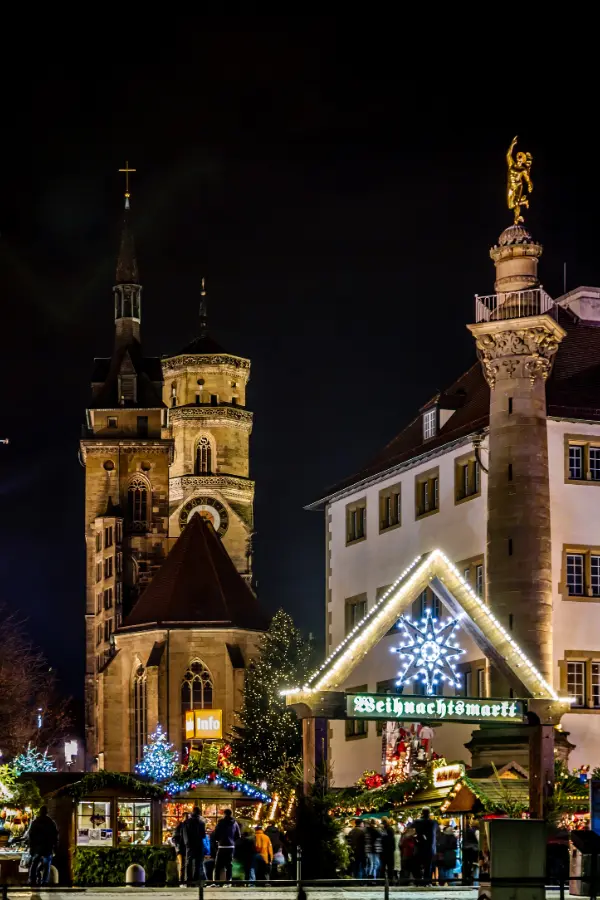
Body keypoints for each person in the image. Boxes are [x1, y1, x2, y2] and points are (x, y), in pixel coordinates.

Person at [26, 806, 58, 887]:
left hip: (37, 847)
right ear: (46, 812)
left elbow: (31, 835)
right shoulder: (51, 822)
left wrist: (31, 847)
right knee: (47, 865)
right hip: (47, 847)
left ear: (40, 812)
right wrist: (54, 846)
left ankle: (32, 880)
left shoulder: (35, 822)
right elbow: (55, 836)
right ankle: (44, 881)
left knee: (34, 864)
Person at [213, 809, 241, 883]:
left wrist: (218, 840)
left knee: (218, 865)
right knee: (229, 864)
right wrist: (232, 840)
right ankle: (229, 881)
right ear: (231, 814)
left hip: (221, 846)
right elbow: (238, 835)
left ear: (224, 814)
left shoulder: (220, 823)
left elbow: (215, 834)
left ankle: (217, 881)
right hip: (231, 846)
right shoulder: (235, 823)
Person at [182, 807, 206, 885]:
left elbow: (184, 834)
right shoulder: (201, 823)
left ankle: (188, 880)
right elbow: (203, 835)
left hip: (189, 845)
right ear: (199, 813)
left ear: (192, 812)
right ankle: (196, 880)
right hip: (199, 844)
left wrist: (187, 843)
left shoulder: (186, 822)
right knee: (198, 863)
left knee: (188, 862)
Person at [414, 807, 437, 884]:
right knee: (428, 866)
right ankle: (427, 882)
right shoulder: (433, 823)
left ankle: (418, 881)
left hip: (419, 847)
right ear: (429, 813)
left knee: (418, 865)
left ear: (422, 813)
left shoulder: (417, 822)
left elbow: (413, 833)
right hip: (430, 848)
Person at [462, 819, 479, 885]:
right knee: (475, 865)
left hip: (466, 849)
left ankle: (466, 880)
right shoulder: (476, 831)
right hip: (474, 850)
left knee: (467, 866)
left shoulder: (467, 830)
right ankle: (474, 882)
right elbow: (479, 840)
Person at [172, 815, 188, 885]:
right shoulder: (180, 827)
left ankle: (184, 881)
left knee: (185, 865)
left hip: (186, 848)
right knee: (182, 865)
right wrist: (178, 846)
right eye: (186, 817)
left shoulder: (186, 826)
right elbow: (174, 838)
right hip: (181, 849)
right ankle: (181, 881)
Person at [381, 818, 396, 883]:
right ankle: (390, 880)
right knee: (390, 866)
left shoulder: (383, 830)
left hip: (384, 850)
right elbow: (392, 840)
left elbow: (382, 840)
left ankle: (382, 880)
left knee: (383, 866)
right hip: (389, 850)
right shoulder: (390, 829)